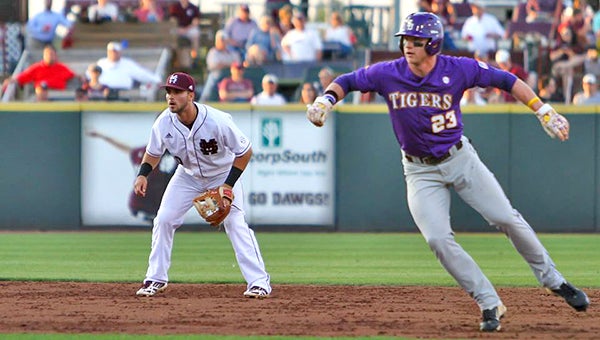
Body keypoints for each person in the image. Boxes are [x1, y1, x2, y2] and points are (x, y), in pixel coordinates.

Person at [306, 12, 589, 332]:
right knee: (438, 239)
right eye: (404, 40)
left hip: (460, 159)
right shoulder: (389, 73)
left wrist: (543, 110)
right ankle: (488, 301)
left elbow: (507, 80)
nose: (407, 46)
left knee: (505, 217)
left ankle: (554, 280)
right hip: (418, 170)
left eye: (415, 41)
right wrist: (325, 100)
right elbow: (347, 81)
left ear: (433, 43)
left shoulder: (457, 68)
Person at [134, 72, 271, 298]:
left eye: (177, 92)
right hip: (187, 176)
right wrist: (143, 174)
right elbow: (153, 152)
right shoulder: (164, 122)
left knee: (235, 223)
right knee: (164, 219)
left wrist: (227, 186)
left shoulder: (217, 121)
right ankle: (155, 278)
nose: (171, 96)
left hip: (222, 174)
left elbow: (245, 152)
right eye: (168, 91)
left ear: (190, 95)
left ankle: (259, 282)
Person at [86, 129, 177, 221]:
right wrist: (102, 136)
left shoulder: (163, 153)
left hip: (151, 201)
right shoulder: (147, 152)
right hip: (143, 201)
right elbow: (124, 147)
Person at [2, 44, 76, 97]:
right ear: (43, 55)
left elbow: (74, 75)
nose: (49, 56)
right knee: (40, 91)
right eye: (47, 54)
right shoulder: (36, 67)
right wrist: (11, 80)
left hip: (58, 95)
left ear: (55, 55)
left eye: (51, 54)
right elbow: (23, 76)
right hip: (41, 95)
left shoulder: (62, 67)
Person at [96, 41, 161, 91]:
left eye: (115, 52)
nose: (113, 54)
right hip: (104, 91)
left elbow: (141, 74)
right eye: (111, 51)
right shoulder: (101, 63)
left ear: (119, 52)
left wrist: (156, 80)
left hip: (124, 91)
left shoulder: (127, 63)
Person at [199, 30, 241, 102]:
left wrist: (225, 64)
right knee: (214, 76)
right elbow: (215, 65)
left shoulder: (232, 53)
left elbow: (238, 64)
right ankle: (203, 101)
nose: (222, 42)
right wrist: (229, 64)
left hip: (231, 76)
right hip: (216, 75)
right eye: (221, 40)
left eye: (223, 40)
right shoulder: (213, 52)